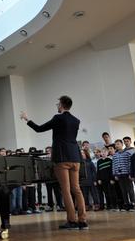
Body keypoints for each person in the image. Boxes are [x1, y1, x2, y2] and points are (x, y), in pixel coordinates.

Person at [21, 95, 87, 230]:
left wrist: (27, 119)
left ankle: (72, 220)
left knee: (66, 190)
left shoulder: (58, 118)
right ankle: (83, 220)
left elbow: (39, 129)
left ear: (62, 105)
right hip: (75, 158)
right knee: (77, 189)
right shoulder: (76, 120)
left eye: (58, 104)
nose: (57, 106)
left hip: (62, 158)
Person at [112, 139, 135, 211]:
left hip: (127, 175)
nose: (117, 146)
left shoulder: (127, 154)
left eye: (118, 144)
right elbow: (114, 165)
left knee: (130, 190)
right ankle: (126, 205)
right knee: (123, 191)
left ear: (122, 145)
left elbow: (130, 164)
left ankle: (133, 205)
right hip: (119, 175)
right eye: (116, 144)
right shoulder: (115, 155)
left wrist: (130, 174)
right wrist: (115, 174)